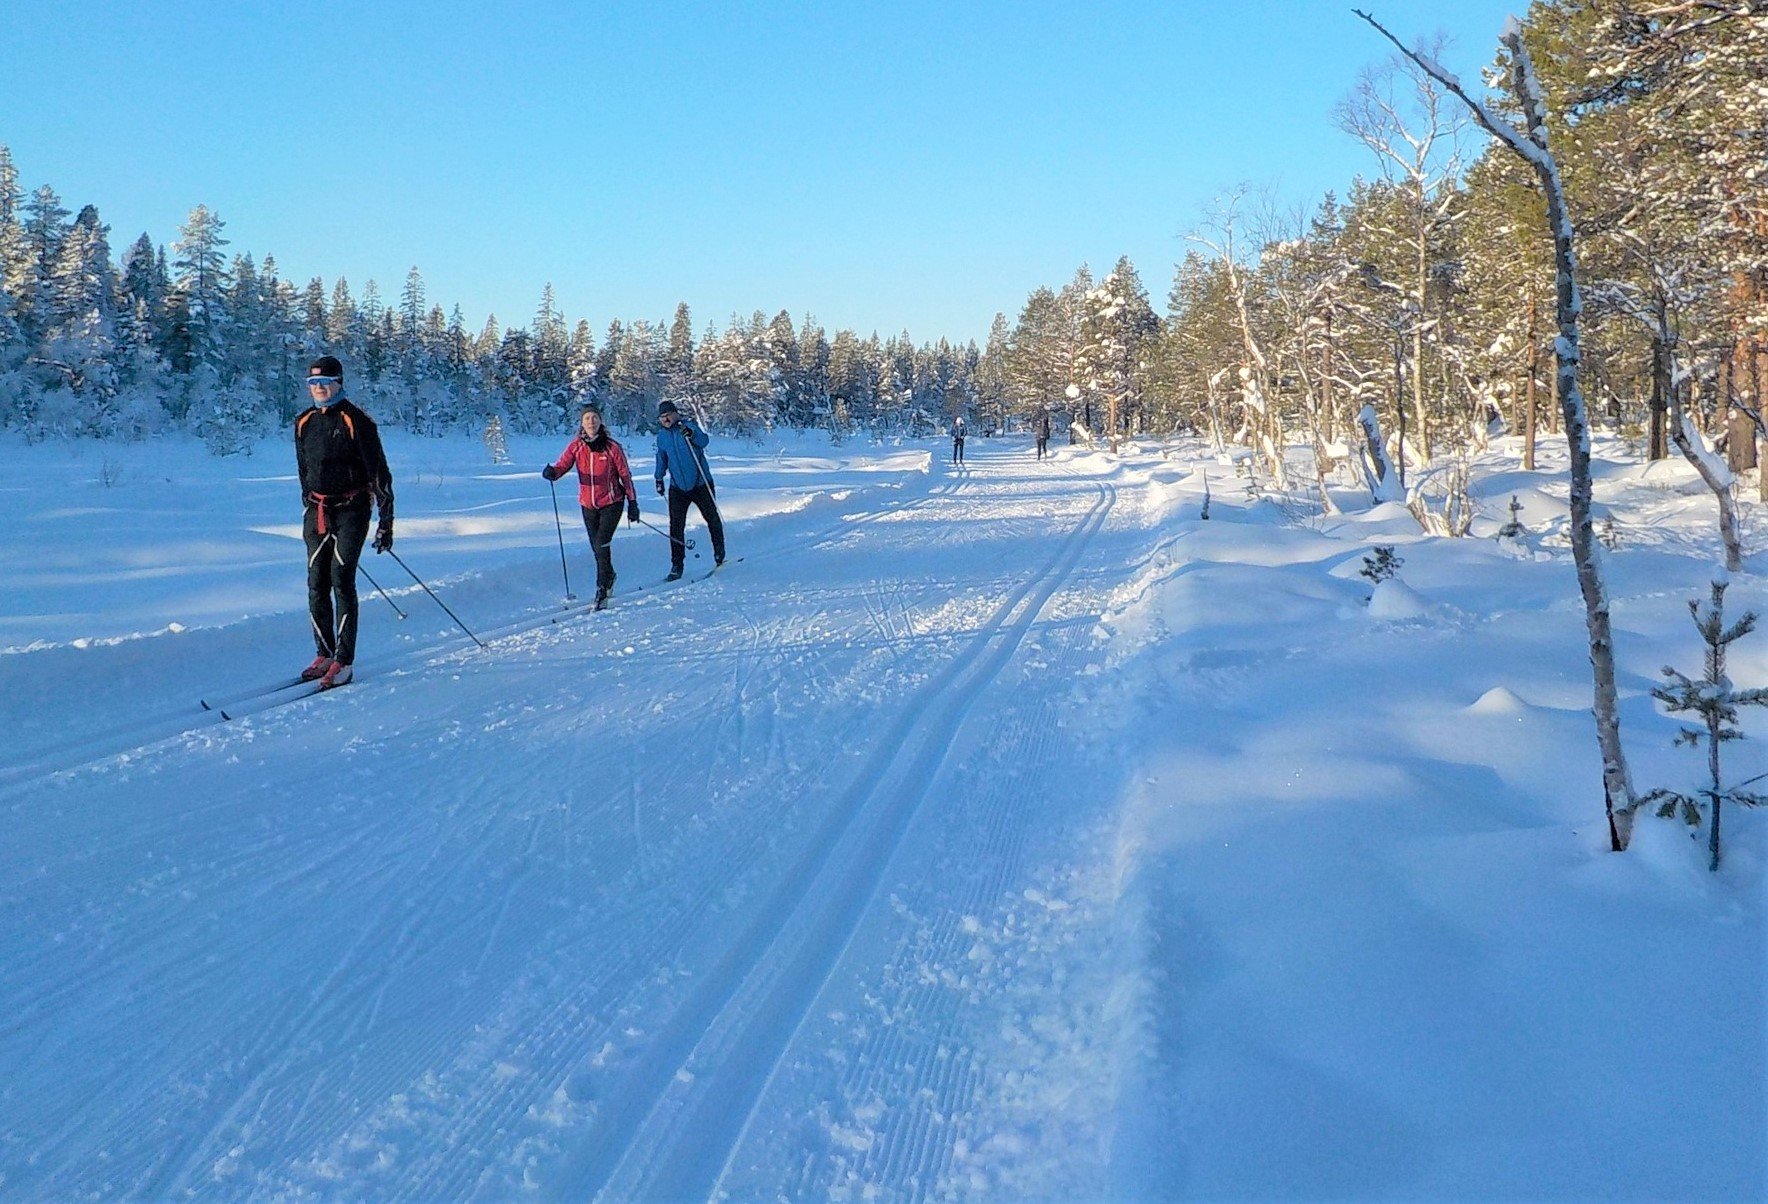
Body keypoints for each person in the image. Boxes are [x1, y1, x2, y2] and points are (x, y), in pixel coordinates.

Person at [294, 355, 393, 689]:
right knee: (316, 582)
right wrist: (308, 502)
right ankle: (323, 654)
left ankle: (344, 661)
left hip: (352, 509)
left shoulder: (357, 420)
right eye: (313, 383)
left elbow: (379, 474)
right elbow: (304, 469)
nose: (319, 388)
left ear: (338, 383)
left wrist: (385, 521)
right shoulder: (304, 421)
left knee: (341, 579)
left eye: (325, 382)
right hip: (318, 511)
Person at [543, 402, 639, 608]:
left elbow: (625, 475)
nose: (591, 422)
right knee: (596, 547)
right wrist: (552, 473)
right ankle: (609, 575)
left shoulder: (612, 447)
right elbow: (562, 466)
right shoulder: (576, 446)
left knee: (601, 542)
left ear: (600, 421)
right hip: (587, 504)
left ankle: (602, 588)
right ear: (582, 423)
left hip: (611, 502)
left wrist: (633, 502)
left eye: (594, 418)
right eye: (587, 418)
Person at [653, 400, 725, 581]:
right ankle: (677, 565)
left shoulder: (688, 427)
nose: (666, 419)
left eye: (668, 415)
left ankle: (719, 554)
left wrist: (692, 435)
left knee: (712, 518)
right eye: (662, 417)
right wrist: (659, 478)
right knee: (676, 526)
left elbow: (704, 441)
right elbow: (661, 457)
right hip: (678, 487)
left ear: (675, 414)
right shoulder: (662, 436)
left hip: (701, 483)